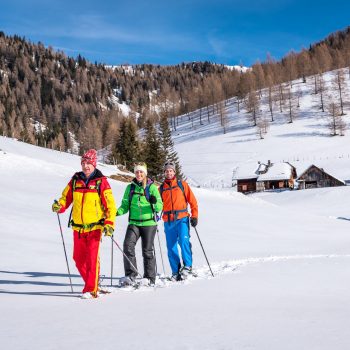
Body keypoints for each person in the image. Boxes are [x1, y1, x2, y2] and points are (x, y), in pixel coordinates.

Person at [52, 149, 116, 299]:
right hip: (78, 228)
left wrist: (109, 223)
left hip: (95, 227)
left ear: (94, 164)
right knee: (79, 259)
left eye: (89, 163)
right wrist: (59, 206)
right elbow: (65, 198)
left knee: (92, 259)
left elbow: (110, 206)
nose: (86, 166)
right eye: (84, 163)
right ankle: (92, 283)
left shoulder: (101, 182)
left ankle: (90, 290)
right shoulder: (75, 180)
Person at [116, 162, 163, 286]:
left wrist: (153, 202)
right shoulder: (130, 188)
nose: (139, 174)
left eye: (141, 171)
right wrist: (115, 213)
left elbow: (160, 206)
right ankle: (131, 275)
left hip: (149, 223)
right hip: (134, 223)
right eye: (137, 171)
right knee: (127, 246)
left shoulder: (151, 187)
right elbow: (125, 206)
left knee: (147, 251)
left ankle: (149, 278)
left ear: (145, 173)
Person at [159, 161, 198, 281]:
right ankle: (175, 271)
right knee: (171, 247)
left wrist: (194, 216)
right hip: (168, 221)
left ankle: (188, 266)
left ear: (174, 172)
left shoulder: (182, 185)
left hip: (182, 219)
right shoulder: (161, 188)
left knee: (183, 241)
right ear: (164, 173)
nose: (169, 173)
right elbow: (157, 205)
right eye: (166, 171)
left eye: (170, 170)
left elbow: (193, 201)